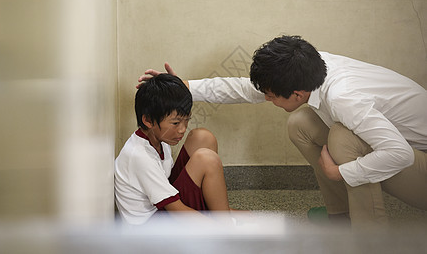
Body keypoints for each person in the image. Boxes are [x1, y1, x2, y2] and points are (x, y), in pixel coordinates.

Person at [139, 35, 427, 228]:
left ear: (298, 93)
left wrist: (339, 173)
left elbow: (398, 154)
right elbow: (245, 88)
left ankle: (370, 241)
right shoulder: (310, 68)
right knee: (300, 125)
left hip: (417, 166)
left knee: (342, 139)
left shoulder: (343, 97)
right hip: (401, 149)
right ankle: (340, 219)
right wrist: (185, 86)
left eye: (273, 96)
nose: (266, 99)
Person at [115, 73, 232, 225]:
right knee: (207, 159)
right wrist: (220, 229)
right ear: (148, 120)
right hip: (151, 230)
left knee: (202, 137)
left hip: (163, 207)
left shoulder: (159, 138)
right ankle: (225, 226)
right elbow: (176, 209)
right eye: (176, 123)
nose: (183, 129)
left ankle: (223, 218)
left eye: (186, 120)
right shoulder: (139, 156)